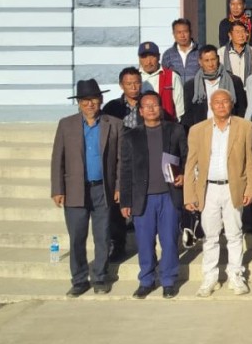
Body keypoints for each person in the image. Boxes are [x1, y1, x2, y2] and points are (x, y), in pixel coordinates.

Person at [50, 79, 122, 297]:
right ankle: (79, 279)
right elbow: (57, 159)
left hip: (103, 189)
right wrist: (57, 188)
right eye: (84, 100)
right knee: (77, 236)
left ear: (100, 100)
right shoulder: (66, 125)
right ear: (79, 103)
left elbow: (120, 159)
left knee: (102, 235)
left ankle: (100, 277)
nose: (89, 104)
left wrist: (118, 186)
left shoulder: (114, 124)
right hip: (75, 189)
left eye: (93, 99)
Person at [183, 89, 252, 297]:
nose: (221, 105)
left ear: (231, 104)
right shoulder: (198, 130)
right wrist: (190, 195)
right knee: (210, 236)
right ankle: (210, 278)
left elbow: (251, 161)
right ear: (210, 105)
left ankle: (236, 276)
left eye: (225, 102)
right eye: (217, 102)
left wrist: (250, 187)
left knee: (234, 234)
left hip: (233, 187)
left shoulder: (245, 126)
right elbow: (191, 164)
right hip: (208, 189)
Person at [119, 91, 188, 299]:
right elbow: (126, 170)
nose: (151, 108)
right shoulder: (131, 136)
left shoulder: (175, 130)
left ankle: (168, 280)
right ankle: (146, 280)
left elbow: (186, 156)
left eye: (155, 105)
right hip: (143, 198)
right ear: (140, 111)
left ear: (161, 108)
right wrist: (125, 200)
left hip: (169, 195)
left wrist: (184, 174)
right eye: (146, 106)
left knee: (169, 240)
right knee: (145, 241)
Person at [100, 67, 143, 261]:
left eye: (136, 82)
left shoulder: (150, 102)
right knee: (117, 204)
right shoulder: (112, 108)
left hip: (144, 159)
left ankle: (145, 242)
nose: (134, 87)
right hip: (120, 159)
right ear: (121, 85)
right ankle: (118, 245)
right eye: (129, 84)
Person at [181, 45, 247, 130]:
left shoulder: (234, 81)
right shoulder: (190, 86)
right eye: (206, 60)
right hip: (202, 131)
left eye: (213, 59)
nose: (211, 64)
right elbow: (188, 115)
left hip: (229, 129)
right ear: (200, 62)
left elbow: (241, 109)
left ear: (218, 59)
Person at [138, 42, 185, 122]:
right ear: (139, 59)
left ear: (159, 57)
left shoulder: (172, 76)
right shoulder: (135, 78)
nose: (148, 61)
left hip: (167, 126)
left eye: (152, 56)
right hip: (140, 127)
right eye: (144, 57)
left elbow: (180, 107)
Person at [162, 18, 200, 82]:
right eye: (179, 32)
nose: (182, 35)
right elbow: (164, 77)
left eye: (185, 32)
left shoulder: (201, 51)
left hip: (196, 91)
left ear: (190, 32)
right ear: (174, 34)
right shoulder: (168, 55)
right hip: (176, 91)